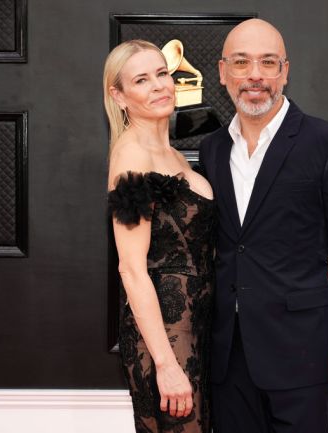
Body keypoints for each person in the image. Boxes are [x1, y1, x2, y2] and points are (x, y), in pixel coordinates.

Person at [198, 19, 328, 433]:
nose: (255, 75)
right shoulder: (212, 149)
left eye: (268, 62)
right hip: (228, 357)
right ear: (223, 72)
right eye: (241, 62)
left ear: (285, 72)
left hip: (305, 354)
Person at [104, 39, 215, 433]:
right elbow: (131, 269)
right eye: (141, 80)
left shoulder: (174, 156)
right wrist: (166, 364)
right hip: (166, 338)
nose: (158, 86)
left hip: (196, 327)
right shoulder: (131, 156)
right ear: (119, 96)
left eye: (162, 73)